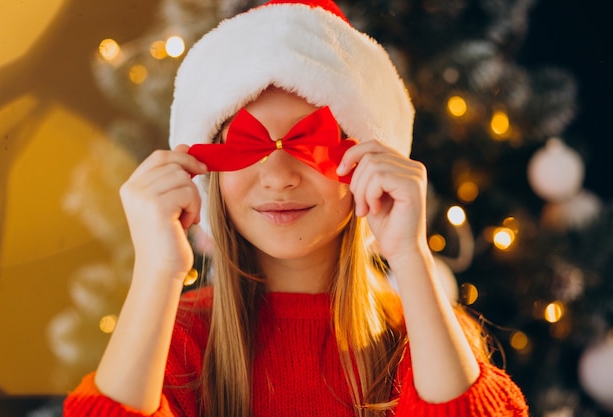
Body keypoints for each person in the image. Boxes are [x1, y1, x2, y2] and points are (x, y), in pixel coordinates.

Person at [63, 0, 529, 416]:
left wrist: (411, 255)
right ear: (209, 171)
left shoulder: (424, 337)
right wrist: (157, 270)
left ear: (367, 164)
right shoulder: (177, 338)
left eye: (313, 144)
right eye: (249, 145)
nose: (279, 175)